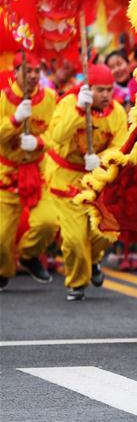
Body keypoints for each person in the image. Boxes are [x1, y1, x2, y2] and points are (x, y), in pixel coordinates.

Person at [33, 64, 127, 300]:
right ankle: (76, 283)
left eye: (109, 90)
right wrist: (77, 110)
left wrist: (103, 160)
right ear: (88, 88)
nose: (106, 95)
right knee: (75, 239)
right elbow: (57, 137)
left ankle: (94, 261)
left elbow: (121, 146)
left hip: (97, 179)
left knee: (106, 232)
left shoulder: (116, 112)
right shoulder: (68, 103)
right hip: (67, 178)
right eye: (100, 90)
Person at [0, 53, 57, 290]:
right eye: (28, 71)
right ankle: (3, 270)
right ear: (15, 73)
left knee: (48, 223)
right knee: (1, 237)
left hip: (38, 170)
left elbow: (57, 132)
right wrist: (14, 120)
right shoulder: (3, 98)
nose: (34, 76)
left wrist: (39, 142)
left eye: (37, 71)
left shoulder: (50, 98)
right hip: (6, 173)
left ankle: (28, 255)